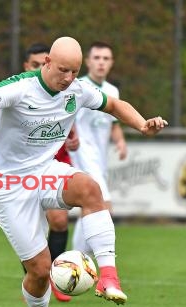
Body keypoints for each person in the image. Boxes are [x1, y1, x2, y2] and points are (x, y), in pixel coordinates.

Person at [0, 36, 167, 307]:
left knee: (90, 189)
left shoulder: (78, 90)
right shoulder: (21, 87)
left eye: (75, 71)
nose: (69, 78)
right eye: (63, 70)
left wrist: (141, 124)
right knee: (39, 271)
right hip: (9, 185)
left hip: (45, 171)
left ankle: (108, 277)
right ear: (47, 64)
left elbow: (114, 104)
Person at [23, 43, 80, 303]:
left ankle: (57, 277)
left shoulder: (65, 90)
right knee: (29, 230)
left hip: (54, 162)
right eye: (34, 65)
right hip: (23, 170)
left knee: (58, 221)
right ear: (30, 66)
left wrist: (73, 137)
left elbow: (69, 120)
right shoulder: (18, 92)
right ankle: (36, 277)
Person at [69, 41, 127, 257]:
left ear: (111, 63)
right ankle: (92, 263)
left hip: (100, 159)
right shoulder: (78, 86)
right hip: (82, 156)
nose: (101, 63)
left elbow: (114, 123)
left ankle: (74, 259)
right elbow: (67, 118)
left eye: (105, 58)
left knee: (90, 208)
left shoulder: (113, 91)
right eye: (97, 58)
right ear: (88, 62)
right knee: (103, 208)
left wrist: (120, 141)